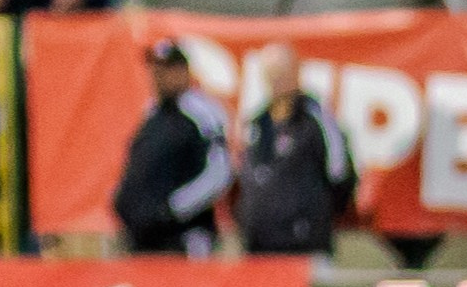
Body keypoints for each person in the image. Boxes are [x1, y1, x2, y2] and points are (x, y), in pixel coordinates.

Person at [112, 38, 236, 257]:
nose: (158, 76)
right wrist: (123, 201)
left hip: (182, 236)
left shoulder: (201, 113)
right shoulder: (152, 114)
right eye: (155, 69)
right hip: (144, 236)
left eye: (167, 69)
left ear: (184, 72)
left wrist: (172, 209)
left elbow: (219, 171)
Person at [237, 43, 355, 257]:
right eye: (271, 73)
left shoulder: (317, 120)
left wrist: (311, 218)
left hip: (304, 244)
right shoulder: (258, 123)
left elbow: (340, 174)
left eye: (282, 72)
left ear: (297, 72)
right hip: (259, 244)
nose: (277, 80)